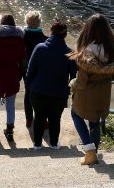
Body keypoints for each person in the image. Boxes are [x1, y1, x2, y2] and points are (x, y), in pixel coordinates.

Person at [69, 13, 114, 165]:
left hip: (87, 94)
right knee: (95, 123)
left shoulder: (87, 52)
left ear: (88, 30)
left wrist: (72, 84)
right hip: (104, 93)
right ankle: (94, 152)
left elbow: (82, 82)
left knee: (75, 114)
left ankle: (90, 152)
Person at [25, 20, 76, 149]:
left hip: (37, 91)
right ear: (65, 35)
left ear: (51, 32)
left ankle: (37, 144)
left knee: (39, 117)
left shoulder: (40, 48)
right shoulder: (70, 53)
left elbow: (30, 71)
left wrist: (29, 86)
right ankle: (54, 143)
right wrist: (68, 91)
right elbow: (73, 77)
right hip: (58, 93)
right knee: (55, 118)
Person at [0, 13, 27, 149]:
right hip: (12, 78)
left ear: (1, 24)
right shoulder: (19, 40)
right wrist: (18, 75)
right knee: (10, 108)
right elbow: (24, 63)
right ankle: (10, 132)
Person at [22, 10, 47, 128]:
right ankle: (43, 119)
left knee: (28, 93)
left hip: (25, 68)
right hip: (40, 69)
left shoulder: (22, 37)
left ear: (27, 22)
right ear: (39, 22)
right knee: (42, 93)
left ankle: (28, 118)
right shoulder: (45, 39)